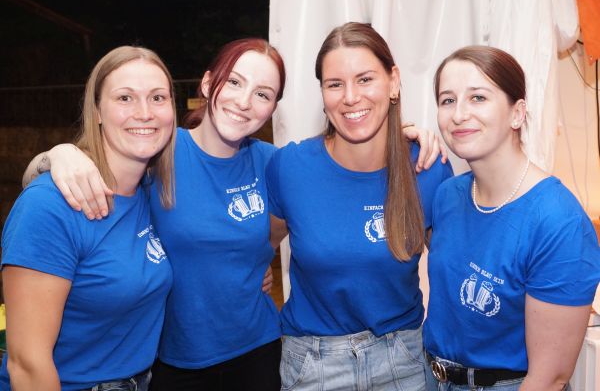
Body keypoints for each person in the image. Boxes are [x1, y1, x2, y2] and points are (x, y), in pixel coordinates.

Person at [23, 37, 445, 390]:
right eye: (235, 82)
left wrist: (404, 134)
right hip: (175, 360)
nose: (244, 102)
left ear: (273, 108)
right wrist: (56, 156)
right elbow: (97, 166)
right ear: (208, 83)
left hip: (260, 351)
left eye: (262, 94)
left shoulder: (273, 163)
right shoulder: (161, 151)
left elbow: (284, 230)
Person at [266, 22, 453, 391]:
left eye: (365, 79)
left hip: (404, 362)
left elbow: (458, 270)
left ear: (393, 82)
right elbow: (254, 252)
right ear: (322, 93)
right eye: (335, 84)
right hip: (314, 366)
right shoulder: (291, 168)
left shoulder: (427, 169)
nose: (350, 97)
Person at [422, 45, 600, 390]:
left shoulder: (558, 222)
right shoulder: (448, 195)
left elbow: (549, 378)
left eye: (478, 98)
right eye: (448, 100)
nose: (459, 114)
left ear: (517, 114)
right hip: (433, 376)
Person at [0, 45, 177, 390]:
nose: (144, 113)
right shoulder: (50, 206)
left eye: (158, 97)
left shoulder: (150, 188)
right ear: (96, 111)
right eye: (125, 98)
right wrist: (58, 154)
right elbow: (27, 365)